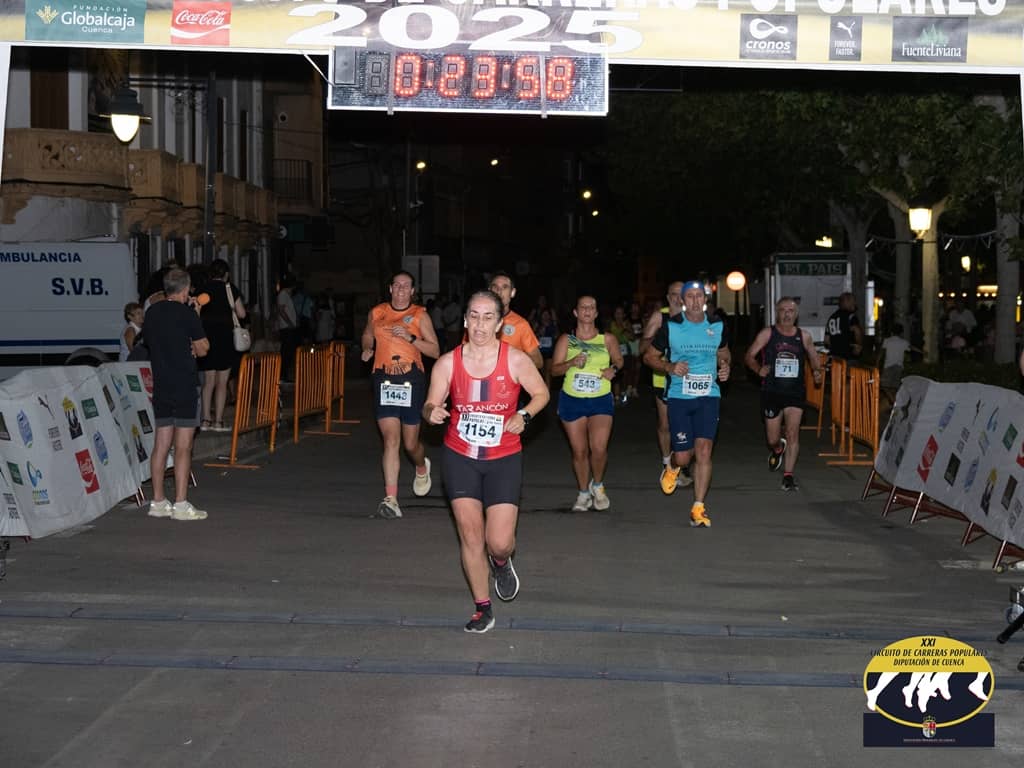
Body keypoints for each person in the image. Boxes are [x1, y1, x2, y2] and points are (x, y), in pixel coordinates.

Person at [423, 290, 549, 633]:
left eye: (488, 317)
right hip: (460, 456)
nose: (480, 324)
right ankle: (482, 607)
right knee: (470, 534)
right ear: (465, 320)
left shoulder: (516, 360)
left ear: (499, 324)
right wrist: (431, 412)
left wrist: (524, 414)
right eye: (474, 317)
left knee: (500, 541)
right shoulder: (448, 363)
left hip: (503, 458)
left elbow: (541, 393)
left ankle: (500, 561)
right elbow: (430, 403)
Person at [643, 280, 730, 527]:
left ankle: (698, 507)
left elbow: (724, 352)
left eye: (699, 296)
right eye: (689, 296)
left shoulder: (717, 325)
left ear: (705, 300)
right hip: (680, 397)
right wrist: (669, 366)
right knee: (683, 457)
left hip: (709, 396)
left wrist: (725, 366)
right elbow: (649, 357)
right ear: (682, 301)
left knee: (704, 451)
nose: (695, 300)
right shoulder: (671, 327)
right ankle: (673, 466)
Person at [360, 271, 441, 519]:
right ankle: (391, 499)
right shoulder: (377, 312)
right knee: (390, 440)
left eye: (406, 286)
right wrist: (367, 347)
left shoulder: (420, 315)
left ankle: (421, 465)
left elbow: (435, 351)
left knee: (410, 444)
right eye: (397, 285)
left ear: (413, 291)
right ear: (390, 288)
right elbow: (368, 334)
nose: (401, 289)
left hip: (411, 380)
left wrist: (411, 338)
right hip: (383, 379)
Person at [143, 268, 210, 521]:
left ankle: (158, 501)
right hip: (184, 385)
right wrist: (196, 315)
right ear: (186, 289)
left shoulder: (151, 313)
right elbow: (202, 349)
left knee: (161, 444)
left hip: (161, 385)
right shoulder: (187, 313)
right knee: (183, 446)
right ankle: (181, 504)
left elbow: (152, 343)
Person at [551, 295, 624, 511]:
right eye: (583, 307)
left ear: (596, 313)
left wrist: (613, 369)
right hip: (572, 399)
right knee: (579, 451)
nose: (587, 311)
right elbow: (554, 370)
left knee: (599, 449)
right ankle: (583, 492)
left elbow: (619, 360)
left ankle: (598, 485)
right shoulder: (567, 340)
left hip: (600, 398)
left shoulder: (607, 339)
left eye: (591, 307)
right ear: (576, 312)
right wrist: (571, 363)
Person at [743, 297, 822, 492]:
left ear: (796, 314)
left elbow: (814, 357)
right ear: (777, 312)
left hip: (795, 392)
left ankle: (788, 475)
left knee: (793, 433)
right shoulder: (768, 333)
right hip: (772, 391)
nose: (787, 314)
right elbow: (749, 356)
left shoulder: (804, 336)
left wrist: (817, 371)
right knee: (772, 439)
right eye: (783, 310)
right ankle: (778, 449)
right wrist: (758, 369)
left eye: (791, 310)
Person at [639, 281, 692, 488]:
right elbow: (642, 349)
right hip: (663, 376)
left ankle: (682, 462)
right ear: (668, 297)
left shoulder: (694, 316)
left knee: (690, 423)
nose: (679, 298)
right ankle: (668, 463)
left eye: (682, 294)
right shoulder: (659, 317)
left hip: (690, 377)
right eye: (674, 294)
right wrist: (658, 335)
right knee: (666, 424)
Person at [198, 259, 246, 432]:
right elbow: (242, 313)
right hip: (225, 339)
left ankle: (205, 421)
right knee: (222, 382)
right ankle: (218, 422)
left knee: (208, 382)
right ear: (226, 274)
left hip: (206, 339)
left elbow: (195, 312)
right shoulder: (230, 289)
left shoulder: (202, 289)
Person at [488, 272, 543, 369]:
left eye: (505, 287)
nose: (499, 291)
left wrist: (512, 365)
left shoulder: (521, 324)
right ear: (489, 291)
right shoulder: (477, 320)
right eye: (495, 287)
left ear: (512, 292)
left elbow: (538, 362)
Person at [607, 304, 636, 403]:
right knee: (615, 371)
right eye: (617, 313)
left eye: (621, 313)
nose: (619, 316)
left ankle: (623, 392)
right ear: (614, 314)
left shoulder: (627, 324)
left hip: (625, 350)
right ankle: (616, 395)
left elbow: (632, 338)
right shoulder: (610, 324)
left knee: (625, 372)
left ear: (624, 315)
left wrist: (625, 329)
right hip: (613, 350)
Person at [824, 291, 862, 360]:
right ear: (846, 302)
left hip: (834, 358)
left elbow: (826, 340)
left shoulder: (831, 318)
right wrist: (858, 346)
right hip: (848, 357)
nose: (854, 304)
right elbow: (857, 331)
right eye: (852, 301)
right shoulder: (851, 316)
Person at [276, 275, 299, 382]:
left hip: (289, 327)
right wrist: (290, 323)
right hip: (286, 327)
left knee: (288, 351)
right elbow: (281, 310)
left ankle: (284, 375)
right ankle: (282, 375)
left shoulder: (286, 295)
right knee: (286, 352)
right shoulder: (283, 294)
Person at [532, 307, 559, 388]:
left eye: (547, 315)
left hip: (550, 351)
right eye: (544, 315)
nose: (546, 316)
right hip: (540, 351)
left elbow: (557, 335)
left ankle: (547, 391)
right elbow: (532, 337)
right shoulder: (537, 324)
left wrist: (554, 331)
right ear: (541, 316)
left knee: (548, 372)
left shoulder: (552, 325)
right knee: (541, 372)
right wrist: (539, 332)